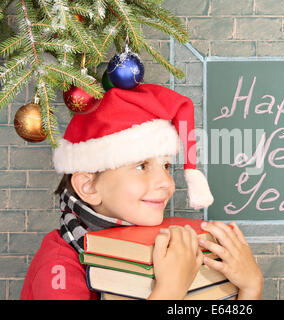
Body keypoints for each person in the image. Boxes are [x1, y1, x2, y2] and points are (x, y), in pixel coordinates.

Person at [20, 83, 263, 300]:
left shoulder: (156, 243)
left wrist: (251, 288)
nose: (166, 183)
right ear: (89, 186)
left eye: (166, 166)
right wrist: (169, 292)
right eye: (141, 166)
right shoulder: (59, 265)